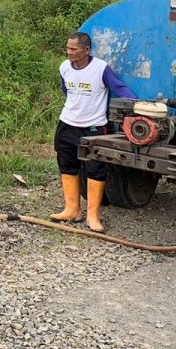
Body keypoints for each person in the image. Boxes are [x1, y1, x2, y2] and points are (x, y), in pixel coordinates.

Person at [51, 31, 137, 233]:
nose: (69, 52)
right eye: (67, 48)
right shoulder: (64, 67)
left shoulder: (101, 69)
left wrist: (138, 107)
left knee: (95, 168)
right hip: (67, 124)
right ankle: (72, 209)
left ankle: (93, 216)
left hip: (94, 127)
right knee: (66, 164)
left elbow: (120, 89)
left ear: (86, 50)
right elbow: (66, 91)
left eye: (73, 49)